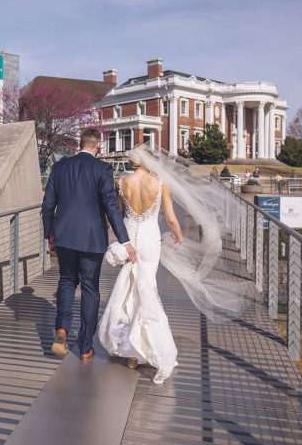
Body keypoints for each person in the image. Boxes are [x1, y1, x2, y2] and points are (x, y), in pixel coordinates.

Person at [98, 145, 248, 384]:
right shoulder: (159, 184)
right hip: (149, 241)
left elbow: (117, 212)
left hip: (129, 238)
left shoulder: (122, 183)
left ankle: (131, 350)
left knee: (129, 289)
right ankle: (142, 348)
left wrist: (122, 239)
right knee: (147, 287)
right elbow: (170, 218)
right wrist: (178, 237)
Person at [41, 128, 136, 360]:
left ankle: (61, 329)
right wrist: (125, 241)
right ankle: (85, 347)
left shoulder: (60, 167)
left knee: (66, 281)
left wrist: (50, 236)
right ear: (98, 146)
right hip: (92, 239)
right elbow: (111, 207)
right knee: (90, 290)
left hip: (63, 236)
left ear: (78, 144)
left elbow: (47, 205)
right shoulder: (102, 169)